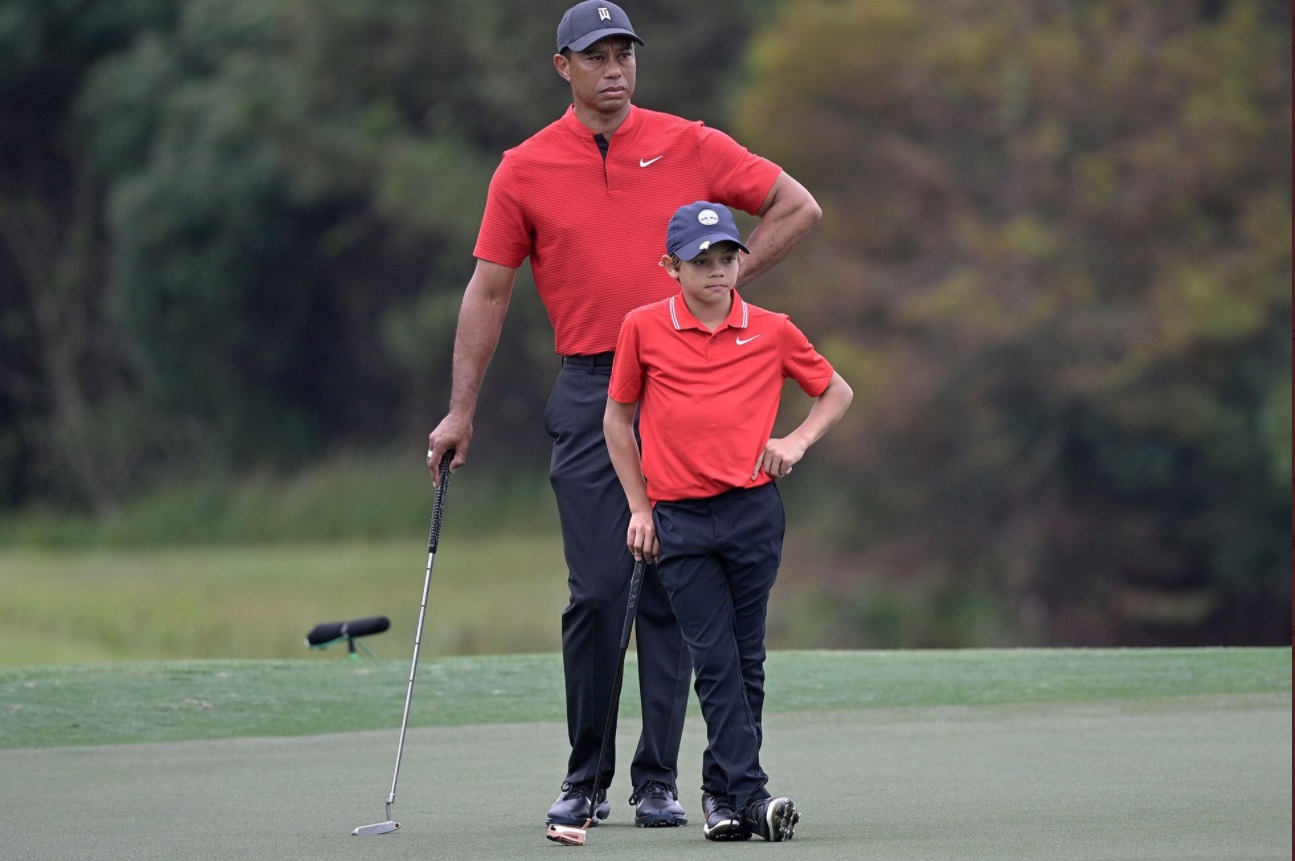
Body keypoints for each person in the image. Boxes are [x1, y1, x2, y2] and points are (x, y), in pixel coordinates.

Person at [425, 0, 822, 829]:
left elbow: (796, 206)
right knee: (601, 591)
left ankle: (657, 780)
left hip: (686, 382)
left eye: (624, 54)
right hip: (589, 386)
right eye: (595, 56)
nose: (615, 69)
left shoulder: (691, 142)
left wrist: (721, 283)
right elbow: (489, 290)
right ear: (562, 67)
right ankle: (585, 775)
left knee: (670, 597)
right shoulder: (523, 167)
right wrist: (460, 410)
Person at [603, 201, 853, 842]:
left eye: (727, 258)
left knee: (747, 659)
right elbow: (618, 422)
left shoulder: (771, 330)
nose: (717, 271)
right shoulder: (642, 327)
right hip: (679, 518)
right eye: (701, 262)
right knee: (713, 659)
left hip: (752, 513)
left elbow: (836, 390)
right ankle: (752, 793)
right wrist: (638, 507)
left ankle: (722, 800)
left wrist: (795, 443)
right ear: (671, 267)